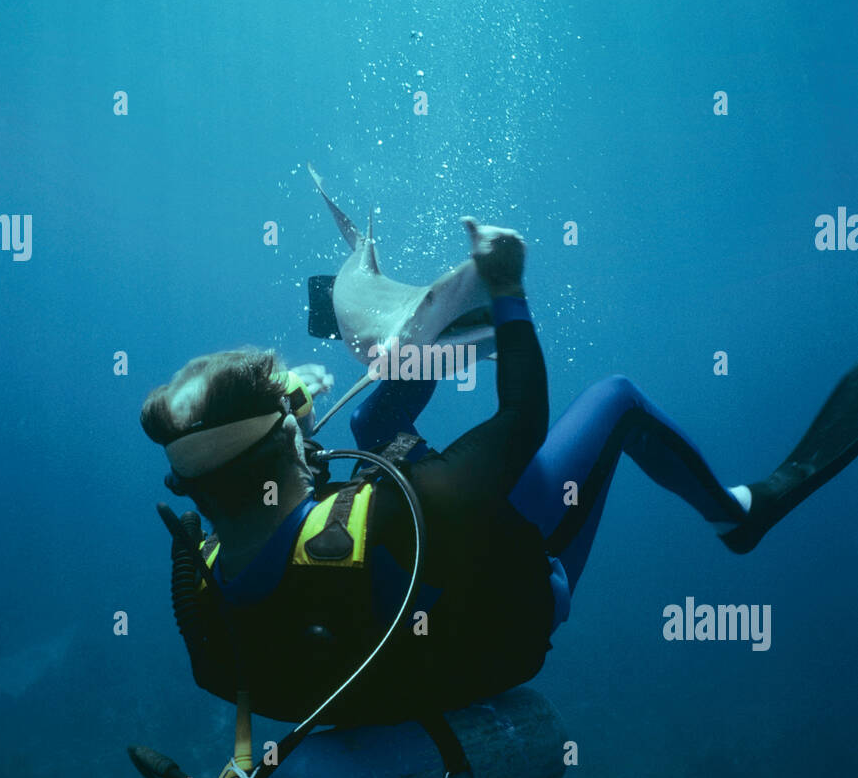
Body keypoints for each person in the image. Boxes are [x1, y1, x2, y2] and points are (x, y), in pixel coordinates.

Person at [141, 219, 858, 727]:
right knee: (615, 399)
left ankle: (409, 345)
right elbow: (521, 420)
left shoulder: (202, 567)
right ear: (289, 436)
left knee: (369, 430)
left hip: (386, 657)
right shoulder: (406, 508)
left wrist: (382, 366)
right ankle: (740, 516)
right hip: (514, 600)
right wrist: (508, 292)